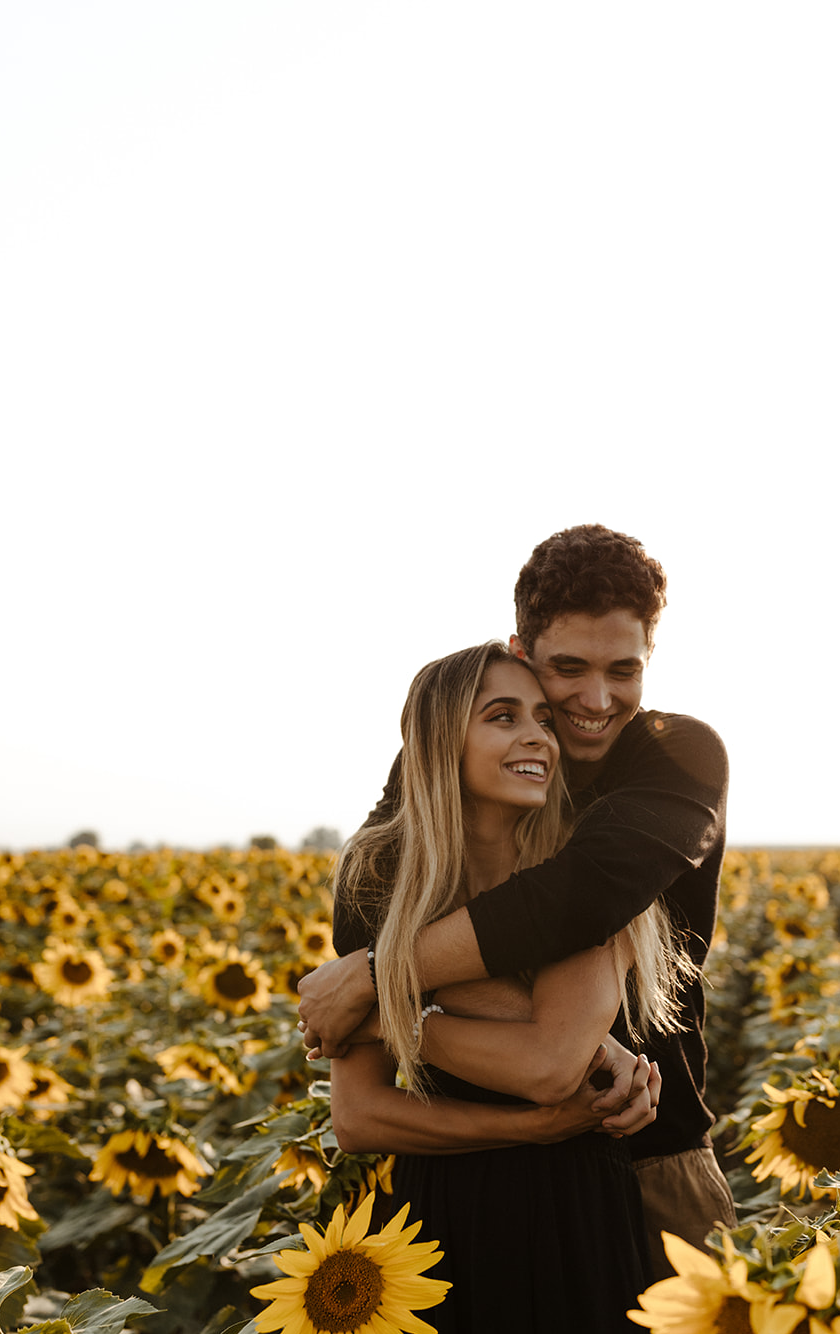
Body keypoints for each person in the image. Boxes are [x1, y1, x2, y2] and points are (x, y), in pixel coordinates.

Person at [329, 640, 688, 1334]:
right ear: (440, 742)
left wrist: (384, 1004)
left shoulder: (588, 870)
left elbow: (549, 1064)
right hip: (432, 1238)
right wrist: (516, 1124)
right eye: (504, 717)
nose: (537, 736)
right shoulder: (377, 876)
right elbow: (360, 1114)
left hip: (572, 1228)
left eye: (540, 718)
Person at [301, 525, 736, 1279]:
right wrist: (380, 967)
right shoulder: (457, 757)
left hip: (648, 1153)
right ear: (521, 651)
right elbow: (368, 896)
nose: (596, 701)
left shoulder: (677, 754)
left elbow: (578, 899)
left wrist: (380, 986)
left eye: (622, 670)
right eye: (568, 669)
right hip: (479, 1168)